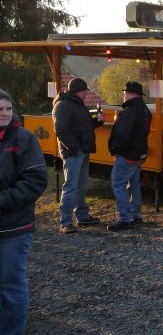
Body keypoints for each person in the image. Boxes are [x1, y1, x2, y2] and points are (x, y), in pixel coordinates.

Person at [0, 90, 48, 335]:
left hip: (14, 227)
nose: (5, 114)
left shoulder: (23, 138)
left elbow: (36, 180)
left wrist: (2, 201)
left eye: (8, 109)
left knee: (10, 283)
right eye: (0, 110)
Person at [52, 77, 103, 234]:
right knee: (71, 187)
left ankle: (82, 216)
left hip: (82, 150)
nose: (87, 94)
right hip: (74, 153)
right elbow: (61, 130)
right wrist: (76, 149)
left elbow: (84, 126)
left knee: (80, 186)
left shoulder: (76, 105)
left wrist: (98, 122)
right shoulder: (63, 105)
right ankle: (65, 221)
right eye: (85, 90)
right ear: (79, 91)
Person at [106, 82, 152, 232]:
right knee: (134, 183)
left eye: (125, 92)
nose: (124, 95)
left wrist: (114, 148)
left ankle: (125, 219)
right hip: (140, 153)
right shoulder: (145, 110)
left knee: (118, 184)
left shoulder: (130, 112)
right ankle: (136, 214)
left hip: (128, 154)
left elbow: (122, 135)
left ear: (133, 94)